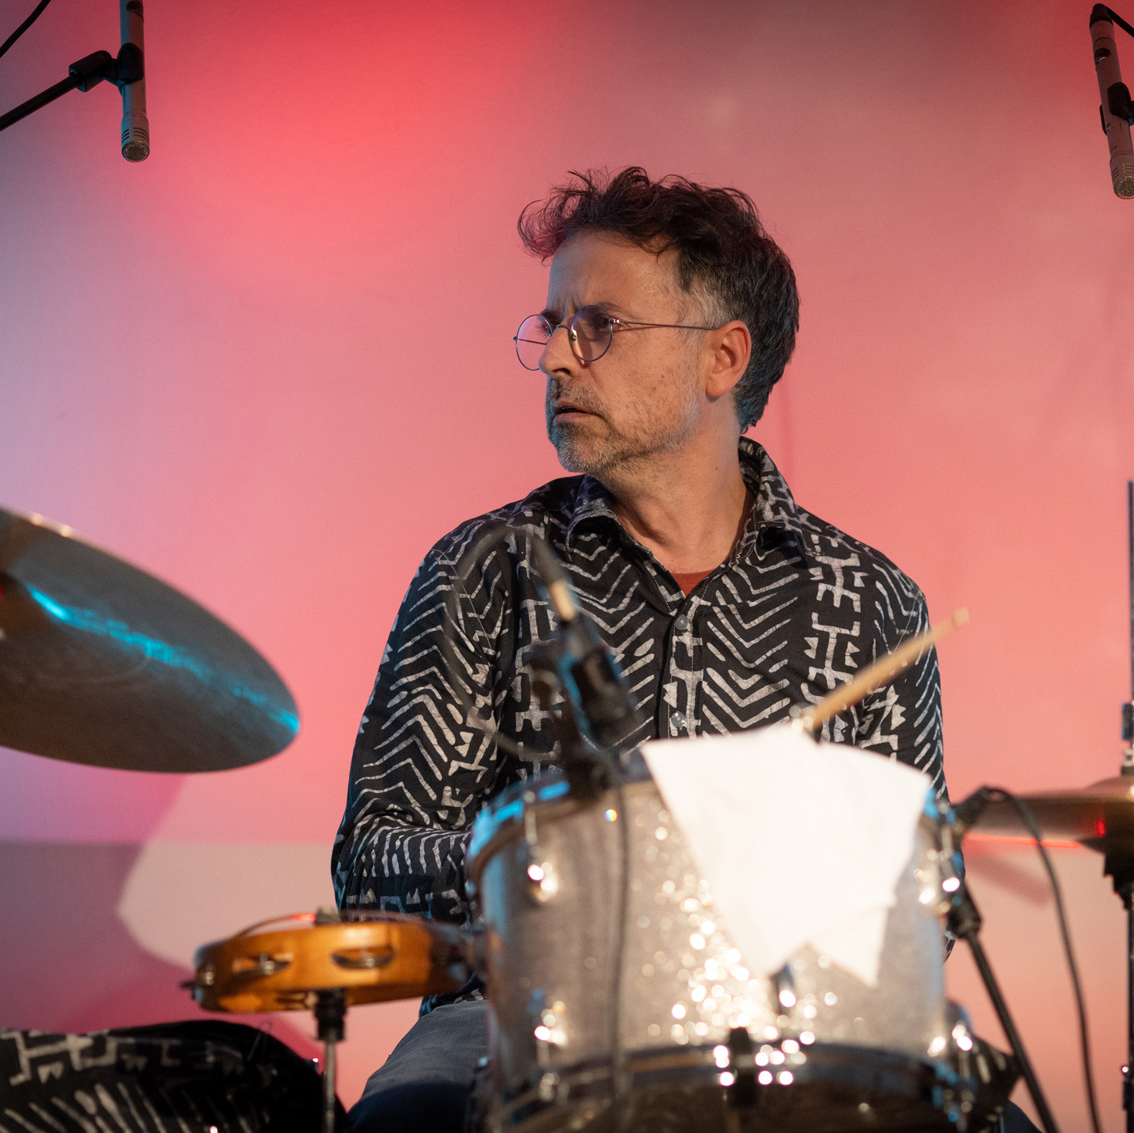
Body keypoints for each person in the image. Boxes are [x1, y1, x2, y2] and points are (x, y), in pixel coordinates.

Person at [333, 167, 1001, 1131]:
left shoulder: (871, 602)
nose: (556, 358)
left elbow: (914, 902)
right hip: (521, 1015)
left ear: (723, 357)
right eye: (551, 326)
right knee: (408, 1120)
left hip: (789, 1024)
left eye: (598, 326)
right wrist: (587, 869)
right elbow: (372, 863)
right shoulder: (485, 569)